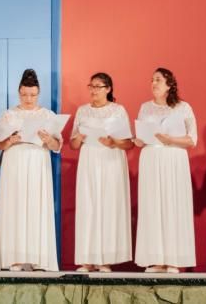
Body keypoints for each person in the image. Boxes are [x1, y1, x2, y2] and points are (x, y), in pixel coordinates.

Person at [0, 69, 61, 271]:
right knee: (15, 205)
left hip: (37, 161)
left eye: (32, 95)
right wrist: (10, 140)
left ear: (38, 93)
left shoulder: (48, 115)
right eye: (24, 95)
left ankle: (38, 258)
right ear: (19, 93)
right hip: (15, 160)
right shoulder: (9, 114)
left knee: (36, 205)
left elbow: (57, 146)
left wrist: (48, 139)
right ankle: (14, 257)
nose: (28, 99)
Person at [133, 68, 198, 273]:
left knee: (173, 205)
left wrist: (170, 140)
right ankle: (157, 259)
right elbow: (142, 136)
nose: (153, 83)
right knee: (153, 207)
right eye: (152, 80)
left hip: (173, 158)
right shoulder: (145, 108)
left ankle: (173, 259)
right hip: (151, 158)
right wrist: (139, 140)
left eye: (158, 80)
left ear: (169, 85)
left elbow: (192, 139)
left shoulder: (183, 108)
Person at [69, 72, 133, 272]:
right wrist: (79, 137)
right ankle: (87, 259)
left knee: (108, 206)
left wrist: (113, 142)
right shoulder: (83, 111)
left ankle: (106, 259)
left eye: (98, 86)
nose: (94, 90)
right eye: (91, 86)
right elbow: (73, 144)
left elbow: (128, 143)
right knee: (88, 205)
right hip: (89, 159)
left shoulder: (117, 110)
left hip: (111, 159)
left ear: (108, 89)